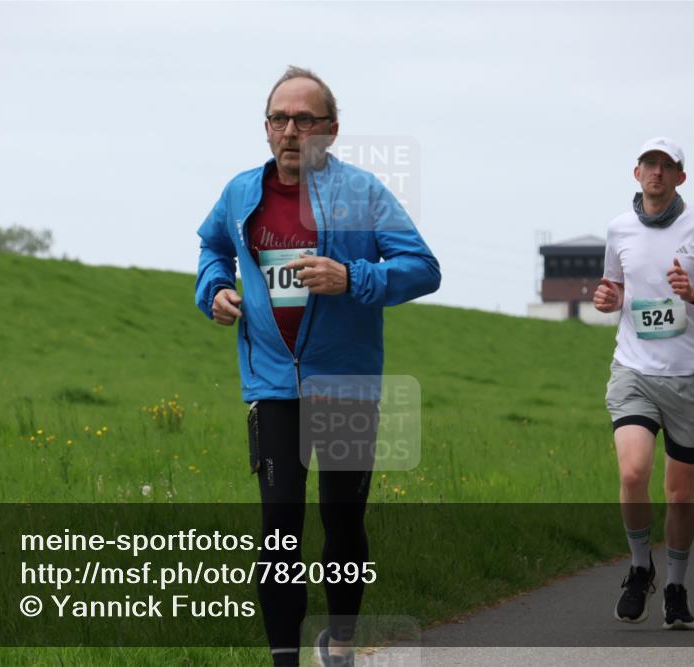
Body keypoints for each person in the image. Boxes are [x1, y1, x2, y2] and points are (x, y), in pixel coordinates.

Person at [195, 66, 440, 667]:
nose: (291, 130)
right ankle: (283, 658)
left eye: (306, 119)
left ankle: (342, 643)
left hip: (348, 384)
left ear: (330, 129)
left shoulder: (362, 193)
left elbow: (423, 268)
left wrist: (352, 277)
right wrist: (214, 290)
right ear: (266, 126)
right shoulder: (239, 193)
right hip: (274, 384)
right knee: (279, 525)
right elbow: (212, 248)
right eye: (280, 118)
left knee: (342, 521)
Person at [594, 137, 694, 630]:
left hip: (690, 375)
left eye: (667, 165)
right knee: (633, 474)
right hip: (634, 369)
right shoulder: (619, 228)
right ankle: (639, 568)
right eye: (649, 164)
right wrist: (609, 300)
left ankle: (675, 584)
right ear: (636, 173)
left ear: (680, 177)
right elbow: (615, 287)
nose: (657, 172)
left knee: (679, 493)